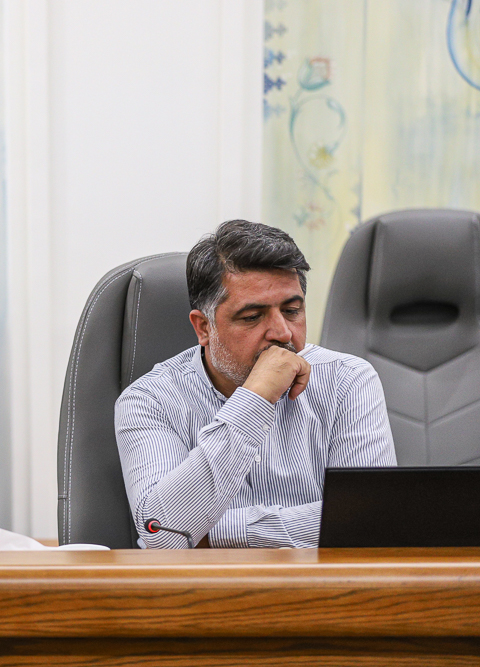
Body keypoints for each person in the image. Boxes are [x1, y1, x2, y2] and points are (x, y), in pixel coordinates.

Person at [115, 220, 396, 549]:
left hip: (322, 581)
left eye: (292, 310)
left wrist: (211, 533)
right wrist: (255, 397)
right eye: (252, 317)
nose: (283, 333)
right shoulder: (148, 401)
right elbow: (163, 534)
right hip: (205, 583)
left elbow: (370, 520)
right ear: (203, 327)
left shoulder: (347, 380)